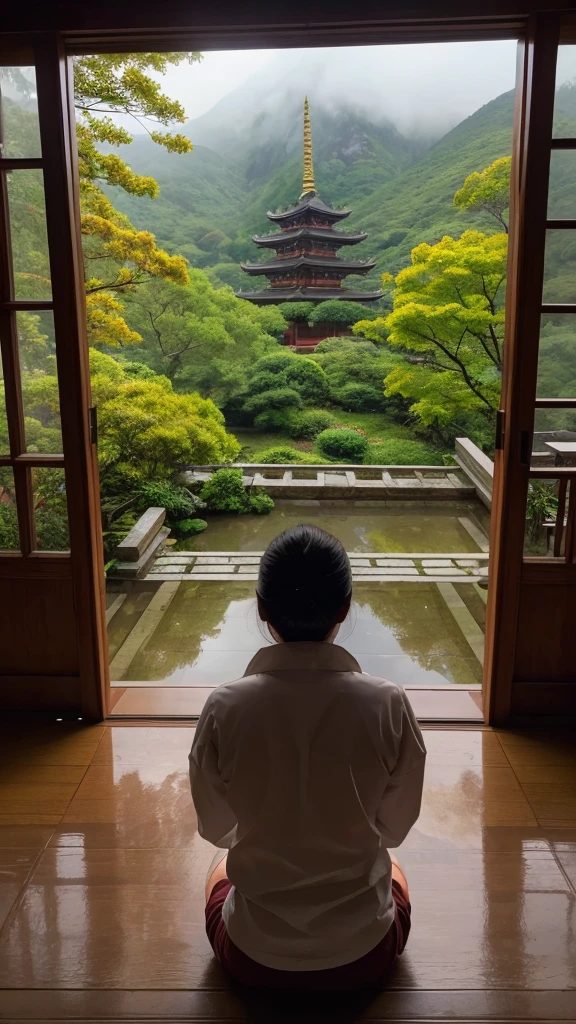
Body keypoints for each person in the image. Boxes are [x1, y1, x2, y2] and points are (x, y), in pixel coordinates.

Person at [189, 524, 426, 991]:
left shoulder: (224, 706)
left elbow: (216, 828)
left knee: (218, 870)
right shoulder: (388, 702)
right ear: (345, 606)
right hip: (365, 955)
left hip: (253, 957)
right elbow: (393, 829)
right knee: (395, 869)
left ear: (261, 607)